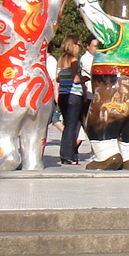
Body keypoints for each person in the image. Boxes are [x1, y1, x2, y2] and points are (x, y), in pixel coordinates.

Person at [56, 36, 85, 165]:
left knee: (68, 125)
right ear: (73, 45)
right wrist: (85, 78)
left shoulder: (61, 60)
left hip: (63, 94)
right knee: (72, 126)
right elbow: (75, 79)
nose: (79, 48)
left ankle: (67, 153)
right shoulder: (73, 60)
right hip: (74, 94)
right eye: (78, 45)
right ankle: (68, 155)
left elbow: (57, 78)